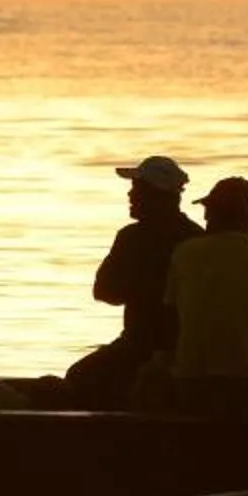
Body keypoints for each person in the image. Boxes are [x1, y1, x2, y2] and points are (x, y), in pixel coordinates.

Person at [66, 154, 202, 407]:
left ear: (157, 195)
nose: (130, 196)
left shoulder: (132, 237)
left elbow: (105, 292)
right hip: (188, 350)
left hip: (139, 346)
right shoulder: (196, 237)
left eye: (137, 189)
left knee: (78, 377)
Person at [160, 175, 248, 413]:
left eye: (208, 210)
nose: (204, 217)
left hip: (190, 380)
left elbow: (170, 320)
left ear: (212, 214)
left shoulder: (185, 253)